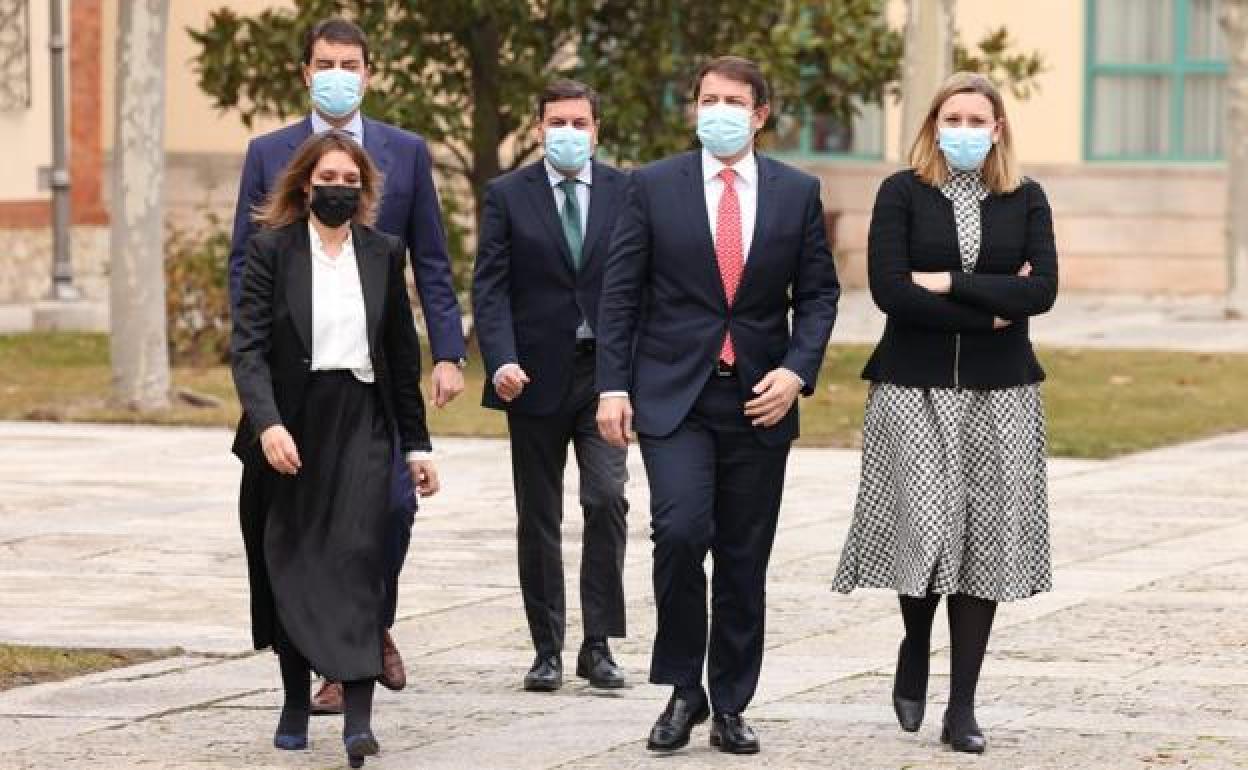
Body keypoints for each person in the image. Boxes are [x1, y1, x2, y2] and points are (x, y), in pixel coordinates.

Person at [596, 56, 840, 755]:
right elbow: (620, 294)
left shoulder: (797, 192)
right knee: (677, 532)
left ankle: (731, 700)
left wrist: (797, 372)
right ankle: (683, 689)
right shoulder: (651, 187)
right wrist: (613, 386)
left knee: (743, 555)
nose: (718, 111)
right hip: (675, 395)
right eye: (707, 99)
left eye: (733, 101)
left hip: (760, 398)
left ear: (761, 113)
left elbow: (819, 296)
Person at [227, 18, 466, 711]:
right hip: (294, 389)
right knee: (306, 525)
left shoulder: (407, 152)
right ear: (306, 72)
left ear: (369, 72)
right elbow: (246, 260)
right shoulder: (268, 151)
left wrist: (447, 352)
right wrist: (257, 377)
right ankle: (338, 655)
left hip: (372, 387)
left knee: (391, 511)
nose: (338, 73)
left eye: (350, 63)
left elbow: (432, 260)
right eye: (325, 62)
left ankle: (367, 619)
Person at [831, 71, 1059, 755]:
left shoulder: (1027, 199)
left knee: (983, 544)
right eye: (950, 118)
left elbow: (1042, 290)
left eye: (976, 119)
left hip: (1002, 394)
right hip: (912, 386)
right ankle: (914, 639)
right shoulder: (902, 193)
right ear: (933, 126)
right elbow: (889, 291)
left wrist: (953, 284)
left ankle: (961, 705)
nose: (963, 130)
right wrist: (991, 307)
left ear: (997, 129)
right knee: (925, 528)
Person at [231, 130, 439, 767]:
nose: (339, 190)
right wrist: (268, 425)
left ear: (365, 190)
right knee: (288, 559)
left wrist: (418, 448)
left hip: (363, 422)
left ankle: (358, 717)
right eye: (328, 180)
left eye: (351, 182)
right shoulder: (272, 251)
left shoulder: (383, 252)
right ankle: (295, 698)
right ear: (303, 184)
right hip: (291, 424)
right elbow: (247, 348)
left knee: (355, 558)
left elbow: (403, 361)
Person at [472, 79, 630, 693]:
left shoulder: (625, 190)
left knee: (605, 500)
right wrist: (502, 358)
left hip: (604, 376)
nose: (569, 133)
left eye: (580, 123)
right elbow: (490, 286)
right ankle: (547, 649)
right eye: (557, 122)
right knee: (538, 515)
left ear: (597, 130)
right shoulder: (508, 195)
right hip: (531, 379)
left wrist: (630, 373)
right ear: (538, 128)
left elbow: (638, 282)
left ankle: (598, 644)